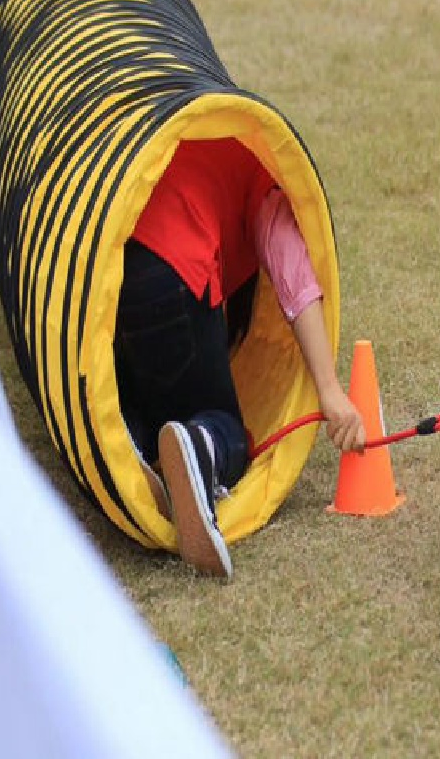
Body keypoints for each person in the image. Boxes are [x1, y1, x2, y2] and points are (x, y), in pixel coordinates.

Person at [114, 137, 365, 579]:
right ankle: (202, 447)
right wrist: (329, 390)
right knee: (226, 425)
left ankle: (131, 438)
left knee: (140, 378)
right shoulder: (263, 179)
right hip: (178, 274)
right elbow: (296, 283)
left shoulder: (192, 143)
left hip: (109, 277)